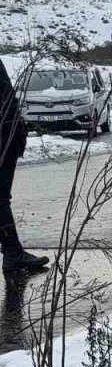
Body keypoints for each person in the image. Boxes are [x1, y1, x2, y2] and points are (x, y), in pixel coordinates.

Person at [0, 62, 50, 272]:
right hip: (3, 137)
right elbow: (6, 101)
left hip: (6, 134)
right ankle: (12, 253)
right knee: (0, 199)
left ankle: (13, 252)